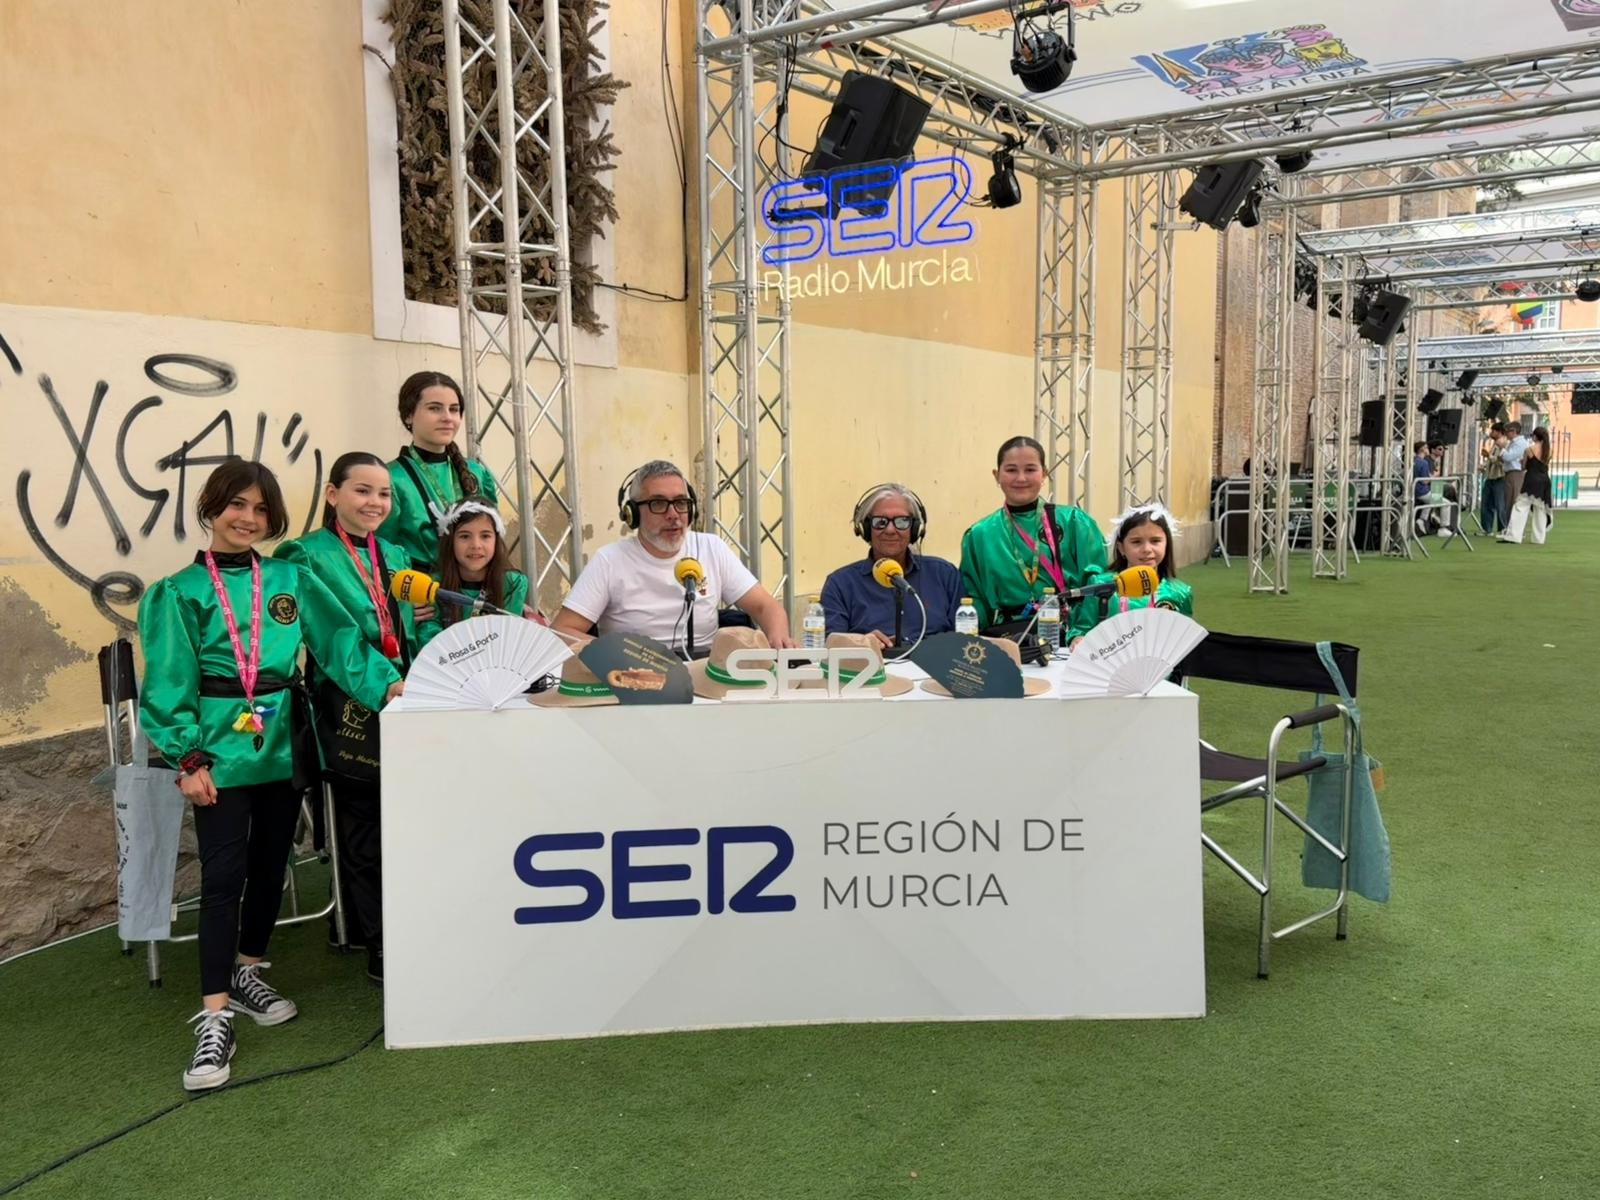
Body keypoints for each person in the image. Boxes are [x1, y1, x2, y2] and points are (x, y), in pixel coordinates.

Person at [138, 459, 404, 1091]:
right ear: (212, 507)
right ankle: (213, 1015)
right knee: (224, 874)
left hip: (286, 742)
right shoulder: (177, 592)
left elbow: (340, 643)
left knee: (272, 864)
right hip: (219, 751)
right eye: (236, 505)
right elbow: (168, 682)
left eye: (260, 510)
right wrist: (187, 758)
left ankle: (249, 970)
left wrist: (391, 688)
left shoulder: (291, 576)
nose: (248, 519)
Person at [273, 452, 416, 986]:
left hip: (407, 701)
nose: (375, 502)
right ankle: (375, 942)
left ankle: (415, 927)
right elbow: (331, 634)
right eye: (362, 491)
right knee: (363, 828)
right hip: (350, 704)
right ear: (333, 495)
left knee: (407, 822)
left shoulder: (396, 553)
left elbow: (408, 628)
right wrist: (388, 685)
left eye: (383, 493)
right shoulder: (302, 556)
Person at [552, 460, 796, 655]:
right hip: (635, 676)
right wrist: (621, 654)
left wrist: (779, 639)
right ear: (632, 514)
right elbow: (563, 631)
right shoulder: (609, 560)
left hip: (705, 674)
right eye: (658, 503)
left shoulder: (711, 548)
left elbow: (766, 607)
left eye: (681, 503)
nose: (673, 514)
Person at [958, 435, 1107, 638]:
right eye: (1011, 470)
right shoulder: (979, 535)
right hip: (1010, 638)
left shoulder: (1074, 522)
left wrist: (1081, 634)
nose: (1021, 478)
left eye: (1030, 469)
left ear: (1044, 474)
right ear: (996, 475)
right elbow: (975, 598)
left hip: (1070, 635)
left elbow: (1098, 584)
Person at [380, 371, 500, 572]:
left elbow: (495, 540)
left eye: (454, 410)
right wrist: (402, 601)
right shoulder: (390, 478)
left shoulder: (476, 473)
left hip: (477, 594)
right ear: (408, 415)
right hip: (423, 595)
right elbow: (379, 553)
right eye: (435, 408)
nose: (447, 418)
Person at [820, 484, 962, 649]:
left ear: (915, 529)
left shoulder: (944, 575)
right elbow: (832, 646)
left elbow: (965, 640)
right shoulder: (840, 584)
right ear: (866, 529)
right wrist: (861, 644)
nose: (890, 530)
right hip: (872, 671)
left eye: (902, 521)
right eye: (880, 522)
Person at [417, 500, 537, 645]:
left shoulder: (513, 583)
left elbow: (508, 635)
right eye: (465, 536)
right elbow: (429, 636)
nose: (475, 545)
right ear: (450, 541)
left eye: (485, 536)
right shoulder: (432, 585)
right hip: (448, 662)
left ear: (496, 540)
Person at [1069, 504, 1193, 641]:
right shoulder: (1102, 585)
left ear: (1167, 544)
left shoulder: (1179, 592)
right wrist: (1078, 639)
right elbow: (1081, 629)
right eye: (1136, 542)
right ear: (1121, 548)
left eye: (1155, 541)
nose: (1147, 549)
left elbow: (1185, 639)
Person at [1500, 427, 1554, 545]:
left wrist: (1522, 463)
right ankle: (1539, 539)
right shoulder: (1549, 450)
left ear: (1535, 436)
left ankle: (1514, 536)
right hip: (1544, 481)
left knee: (1520, 506)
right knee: (1540, 509)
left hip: (1531, 480)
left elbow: (1523, 466)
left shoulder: (1529, 449)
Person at [1479, 422, 1507, 534]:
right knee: (1487, 503)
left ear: (1499, 432)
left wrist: (1487, 456)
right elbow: (1493, 459)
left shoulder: (1502, 443)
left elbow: (1500, 460)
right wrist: (1485, 466)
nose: (1491, 433)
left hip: (1499, 477)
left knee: (1500, 504)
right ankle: (1487, 528)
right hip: (1491, 476)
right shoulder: (1496, 443)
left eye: (1493, 431)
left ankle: (1502, 528)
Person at [1500, 420, 1529, 515]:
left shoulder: (1520, 443)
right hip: (1509, 473)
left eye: (1507, 431)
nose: (1506, 434)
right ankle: (1509, 526)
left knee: (1514, 501)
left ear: (1514, 431)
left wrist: (1502, 448)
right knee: (1508, 502)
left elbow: (1509, 457)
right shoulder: (1512, 443)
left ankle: (1515, 527)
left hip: (1515, 474)